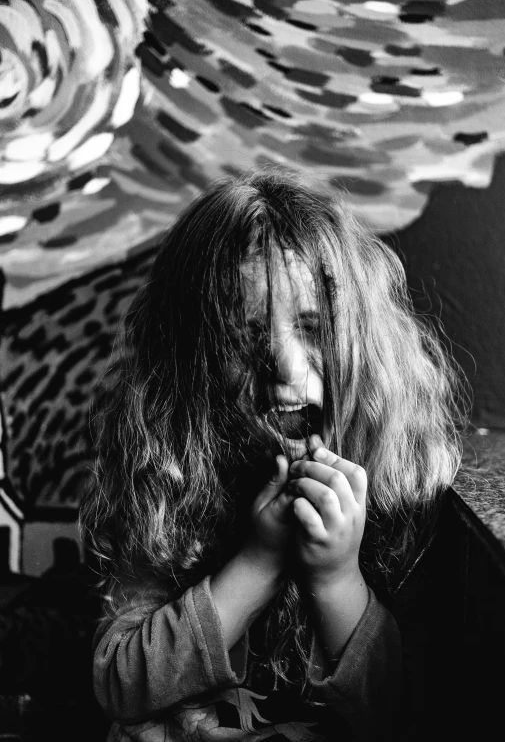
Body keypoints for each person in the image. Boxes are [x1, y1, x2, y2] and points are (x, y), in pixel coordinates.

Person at [80, 168, 465, 741]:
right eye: (244, 335)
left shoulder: (396, 488)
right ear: (192, 358)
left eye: (312, 327)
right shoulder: (163, 484)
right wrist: (257, 563)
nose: (284, 368)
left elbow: (399, 711)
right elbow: (121, 684)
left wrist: (336, 578)